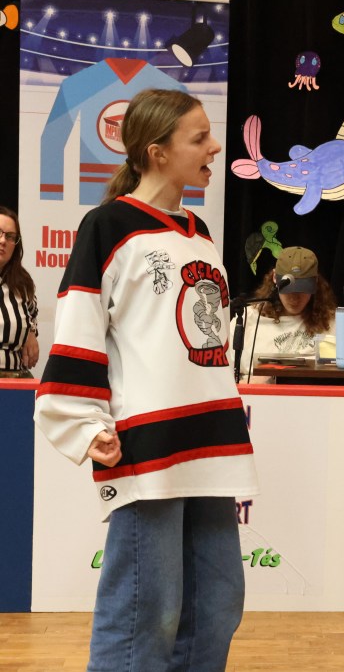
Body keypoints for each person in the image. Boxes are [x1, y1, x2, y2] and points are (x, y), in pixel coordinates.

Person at [34, 88, 259, 671]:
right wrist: (84, 422)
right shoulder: (107, 226)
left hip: (211, 444)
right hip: (148, 445)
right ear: (157, 153)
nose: (214, 147)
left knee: (216, 605)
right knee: (145, 612)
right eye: (199, 138)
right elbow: (79, 326)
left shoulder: (199, 231)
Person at [231, 246, 337, 383]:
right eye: (288, 289)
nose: (294, 297)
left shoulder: (329, 323)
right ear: (275, 277)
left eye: (302, 289)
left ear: (315, 282)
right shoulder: (249, 318)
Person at [0, 206, 39, 378]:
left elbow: (32, 314)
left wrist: (31, 332)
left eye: (10, 237)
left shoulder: (22, 284)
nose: (3, 241)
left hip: (14, 378)